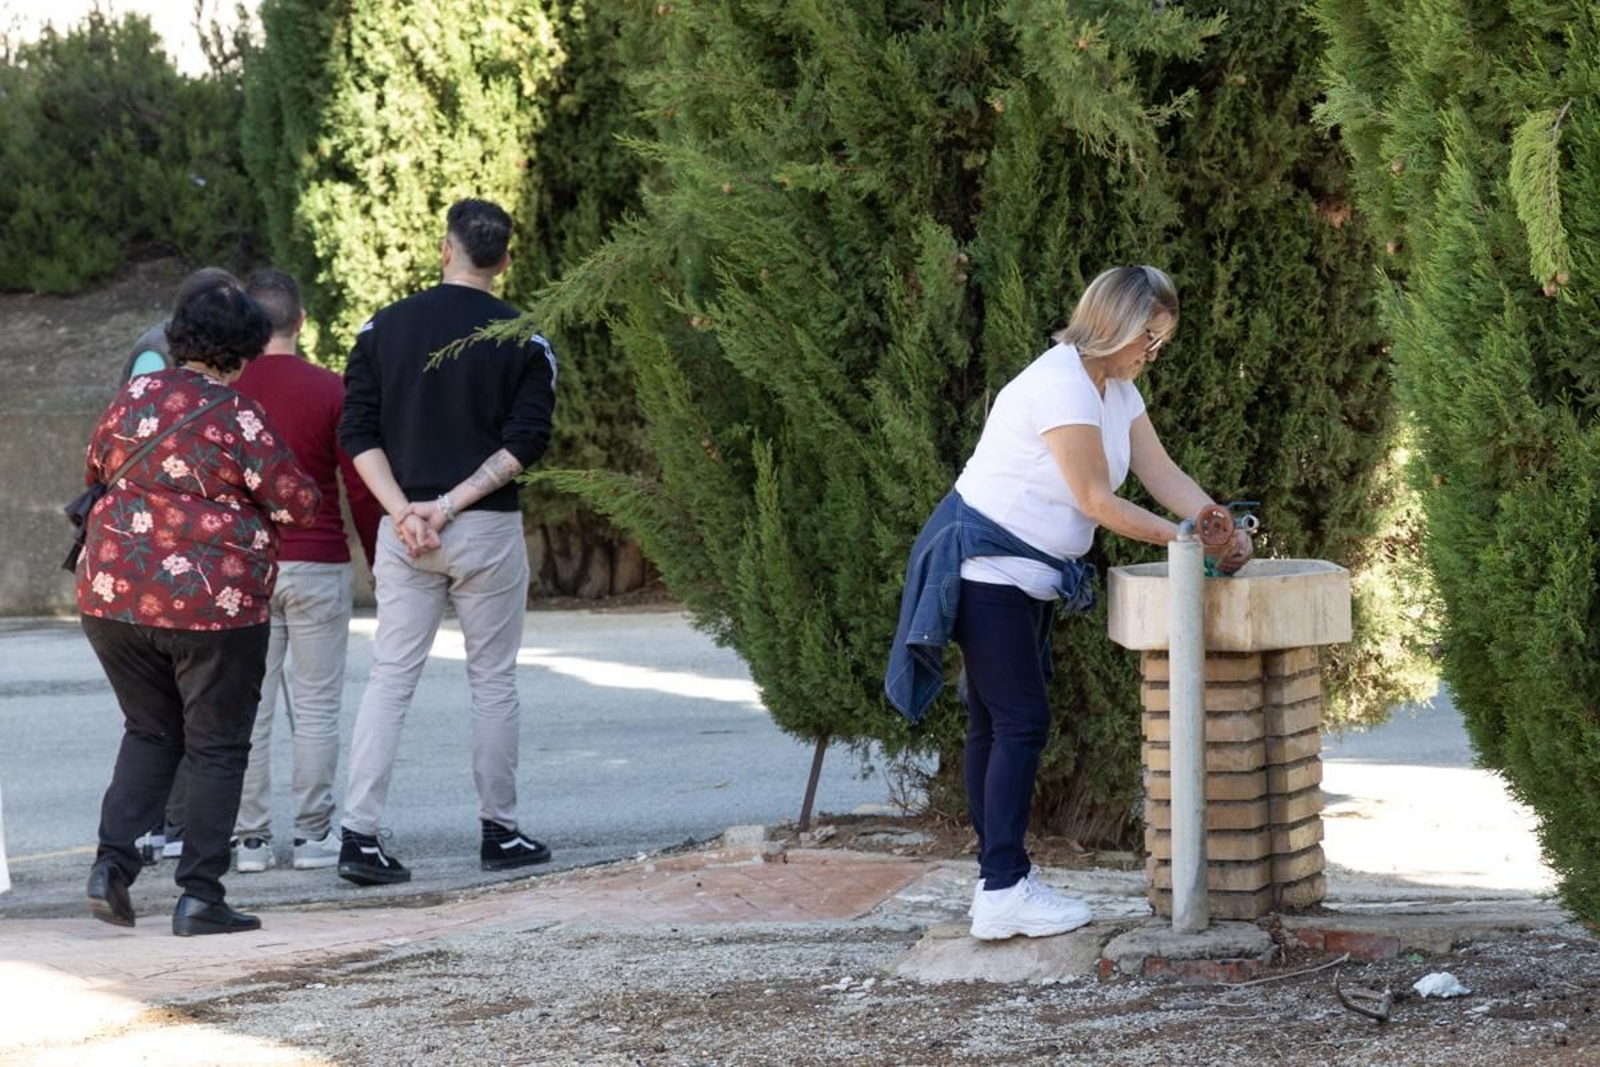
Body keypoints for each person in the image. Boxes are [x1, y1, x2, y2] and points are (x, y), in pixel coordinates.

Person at [885, 265, 1252, 941]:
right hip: (980, 565)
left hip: (1022, 574)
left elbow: (1158, 469)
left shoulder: (1114, 387)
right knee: (1018, 722)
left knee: (995, 724)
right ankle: (1002, 890)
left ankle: (1000, 882)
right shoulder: (1060, 384)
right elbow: (1095, 500)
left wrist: (1211, 516)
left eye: (1160, 341)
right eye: (1150, 337)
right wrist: (1183, 540)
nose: (1153, 353)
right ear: (1114, 326)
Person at [79, 278, 320, 935]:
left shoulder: (132, 397)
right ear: (240, 351)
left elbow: (95, 469)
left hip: (113, 596)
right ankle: (200, 896)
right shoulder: (236, 414)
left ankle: (111, 866)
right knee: (216, 745)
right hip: (212, 607)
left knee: (150, 730)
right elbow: (297, 501)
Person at [335, 198, 558, 886]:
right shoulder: (526, 338)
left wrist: (406, 511)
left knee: (389, 679)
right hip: (484, 525)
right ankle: (500, 830)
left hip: (403, 530)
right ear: (505, 260)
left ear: (445, 249)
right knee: (493, 680)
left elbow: (357, 432)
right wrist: (451, 504)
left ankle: (358, 836)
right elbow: (526, 442)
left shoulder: (383, 330)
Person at [229, 269, 383, 874]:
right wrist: (377, 558)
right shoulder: (332, 389)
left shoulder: (228, 394)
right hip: (318, 562)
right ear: (302, 322)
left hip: (246, 569)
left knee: (248, 708)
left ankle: (251, 841)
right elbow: (360, 487)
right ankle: (316, 834)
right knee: (317, 707)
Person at [124, 266, 242, 866]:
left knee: (164, 718)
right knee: (173, 716)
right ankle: (165, 828)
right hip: (163, 559)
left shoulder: (180, 354)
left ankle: (146, 834)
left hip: (150, 560)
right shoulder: (157, 357)